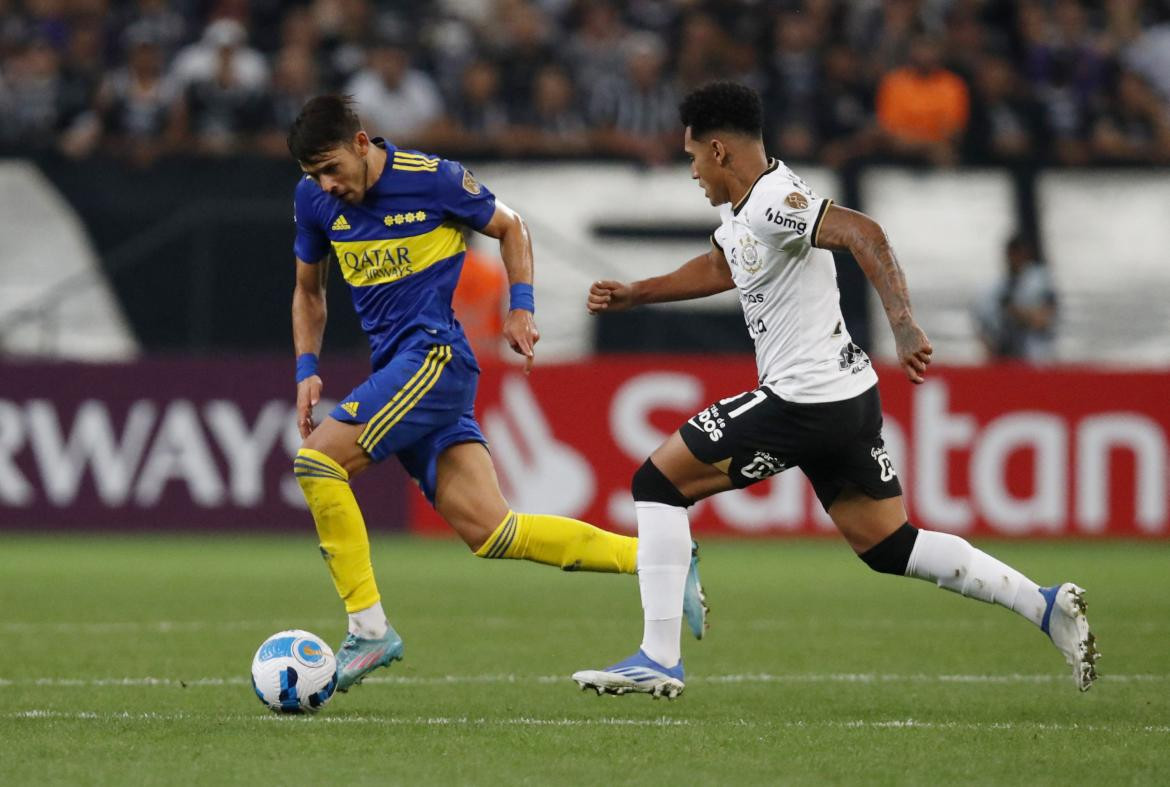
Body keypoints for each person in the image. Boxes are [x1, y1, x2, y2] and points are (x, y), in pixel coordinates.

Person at [573, 82, 1097, 700]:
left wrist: (903, 325)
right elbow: (723, 265)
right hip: (845, 398)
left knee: (657, 483)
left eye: (691, 158)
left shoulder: (776, 201)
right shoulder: (742, 209)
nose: (691, 171)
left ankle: (659, 658)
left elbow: (864, 233)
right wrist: (640, 293)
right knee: (888, 543)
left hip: (805, 397)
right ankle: (1042, 605)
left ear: (718, 150)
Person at [285, 95, 707, 692]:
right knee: (493, 532)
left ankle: (369, 630)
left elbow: (511, 226)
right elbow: (309, 291)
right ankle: (663, 560)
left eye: (331, 168)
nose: (326, 185)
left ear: (361, 143)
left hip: (433, 356)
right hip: (403, 367)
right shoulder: (314, 203)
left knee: (319, 461)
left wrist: (521, 308)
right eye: (312, 176)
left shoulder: (435, 180)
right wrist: (307, 365)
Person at [973, 234, 1058, 363]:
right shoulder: (996, 287)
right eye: (1013, 254)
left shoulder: (1039, 282)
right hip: (1002, 357)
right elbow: (982, 325)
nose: (1016, 259)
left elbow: (1044, 319)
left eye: (1019, 254)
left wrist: (1017, 313)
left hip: (1035, 356)